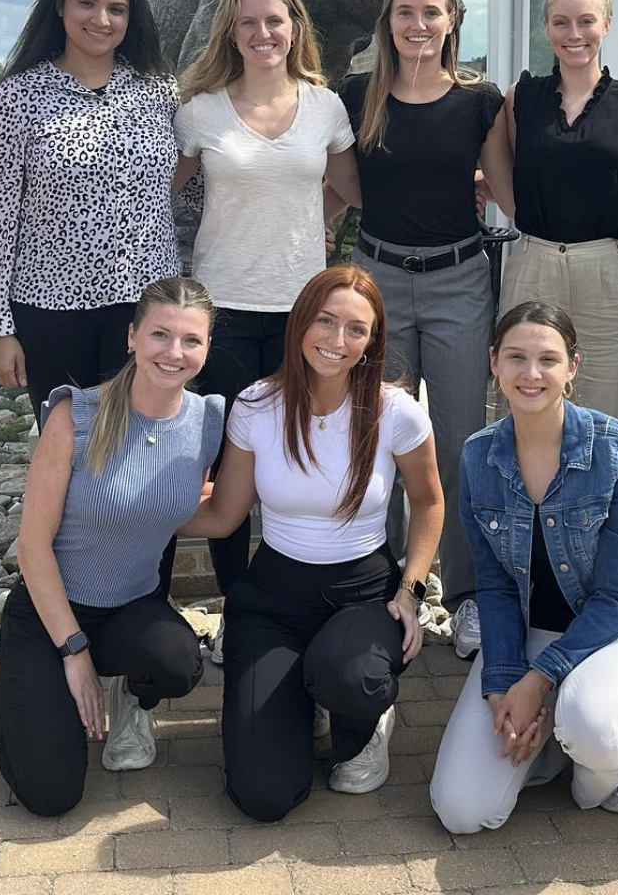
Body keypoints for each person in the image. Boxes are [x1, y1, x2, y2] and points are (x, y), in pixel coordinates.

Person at [181, 265, 443, 822]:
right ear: (300, 322)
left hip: (363, 592)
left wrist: (411, 591)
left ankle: (362, 721)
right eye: (325, 321)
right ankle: (304, 696)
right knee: (263, 795)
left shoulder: (396, 411)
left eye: (356, 329)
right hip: (274, 597)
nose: (337, 340)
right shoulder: (255, 406)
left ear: (372, 339)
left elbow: (429, 502)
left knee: (353, 678)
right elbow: (225, 514)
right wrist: (129, 507)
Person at [429, 301, 618, 833]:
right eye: (516, 358)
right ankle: (554, 739)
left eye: (548, 359)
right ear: (494, 363)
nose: (531, 373)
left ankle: (598, 761)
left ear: (572, 367)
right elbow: (494, 587)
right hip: (530, 636)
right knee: (461, 811)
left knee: (601, 732)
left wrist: (538, 682)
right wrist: (503, 683)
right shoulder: (478, 457)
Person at [0, 276, 224, 816]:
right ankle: (1, 672)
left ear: (206, 349)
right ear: (132, 337)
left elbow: (184, 506)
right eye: (160, 335)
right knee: (51, 795)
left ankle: (130, 699)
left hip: (129, 612)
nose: (174, 352)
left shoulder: (207, 420)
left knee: (179, 662)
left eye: (192, 340)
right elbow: (32, 546)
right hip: (49, 615)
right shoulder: (76, 414)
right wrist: (73, 652)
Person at [330, 0, 510, 659]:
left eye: (431, 12)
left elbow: (507, 191)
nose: (418, 25)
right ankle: (392, 586)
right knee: (378, 437)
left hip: (459, 280)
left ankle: (464, 594)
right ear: (388, 22)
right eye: (405, 11)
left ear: (452, 21)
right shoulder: (356, 96)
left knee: (463, 444)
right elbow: (340, 182)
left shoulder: (478, 100)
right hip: (376, 280)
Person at [174, 0, 359, 628]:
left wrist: (318, 225)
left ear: (295, 28)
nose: (262, 33)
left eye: (274, 21)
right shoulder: (200, 108)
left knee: (301, 457)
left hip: (303, 315)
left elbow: (349, 188)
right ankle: (239, 608)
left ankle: (297, 597)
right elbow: (158, 192)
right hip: (223, 310)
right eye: (248, 22)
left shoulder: (325, 107)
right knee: (229, 467)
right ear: (232, 31)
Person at [0, 0, 182, 422]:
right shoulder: (16, 97)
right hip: (51, 306)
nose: (102, 20)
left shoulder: (160, 92)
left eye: (117, 9)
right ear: (59, 7)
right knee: (66, 444)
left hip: (148, 304)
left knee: (141, 443)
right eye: (86, 4)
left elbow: (193, 186)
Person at [501, 0, 618, 430]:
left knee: (608, 420)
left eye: (586, 22)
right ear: (547, 27)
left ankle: (602, 507)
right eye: (561, 23)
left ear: (607, 24)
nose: (574, 35)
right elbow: (510, 176)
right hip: (533, 263)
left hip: (609, 270)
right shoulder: (521, 98)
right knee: (526, 408)